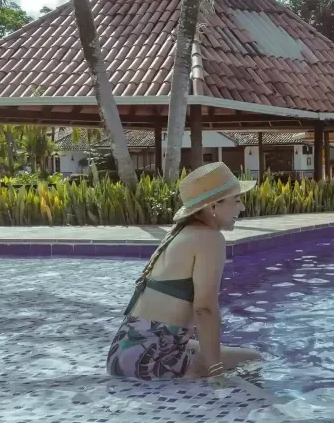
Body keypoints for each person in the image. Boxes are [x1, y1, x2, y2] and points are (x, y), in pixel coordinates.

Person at [106, 162, 261, 381]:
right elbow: (204, 309)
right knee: (252, 360)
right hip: (147, 360)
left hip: (124, 352)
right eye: (236, 200)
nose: (242, 208)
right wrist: (215, 372)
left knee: (215, 350)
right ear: (213, 206)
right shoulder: (209, 238)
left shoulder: (183, 232)